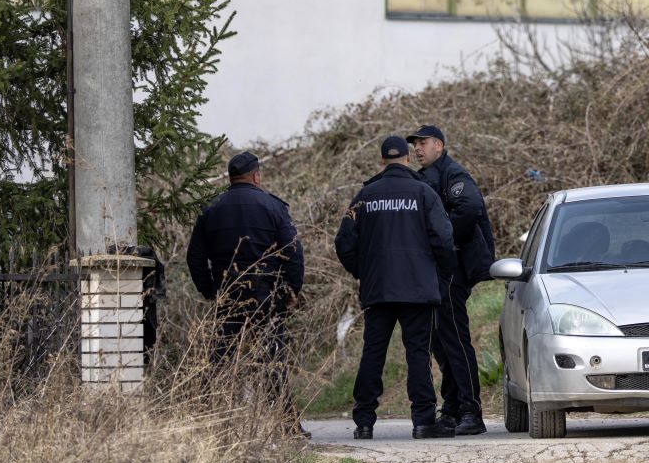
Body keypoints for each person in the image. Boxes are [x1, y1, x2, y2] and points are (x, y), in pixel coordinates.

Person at [335, 135, 458, 440]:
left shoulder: (365, 196)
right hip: (417, 288)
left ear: (382, 161)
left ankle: (363, 422)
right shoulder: (423, 192)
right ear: (406, 158)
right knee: (417, 352)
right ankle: (423, 422)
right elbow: (443, 239)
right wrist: (442, 274)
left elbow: (343, 242)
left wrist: (363, 271)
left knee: (373, 353)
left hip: (378, 288)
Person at [186, 151, 307, 437]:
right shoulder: (273, 207)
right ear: (256, 176)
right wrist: (292, 290)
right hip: (266, 294)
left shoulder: (212, 209)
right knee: (272, 359)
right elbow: (294, 252)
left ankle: (211, 422)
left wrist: (210, 291)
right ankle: (285, 425)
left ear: (231, 177)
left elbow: (194, 257)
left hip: (227, 293)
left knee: (220, 362)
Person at [406, 124, 496, 436]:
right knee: (440, 341)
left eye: (423, 143)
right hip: (437, 271)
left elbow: (468, 208)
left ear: (439, 146)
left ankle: (472, 410)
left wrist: (440, 241)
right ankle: (454, 407)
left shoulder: (452, 174)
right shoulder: (423, 177)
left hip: (453, 270)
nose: (417, 149)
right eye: (414, 145)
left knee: (455, 339)